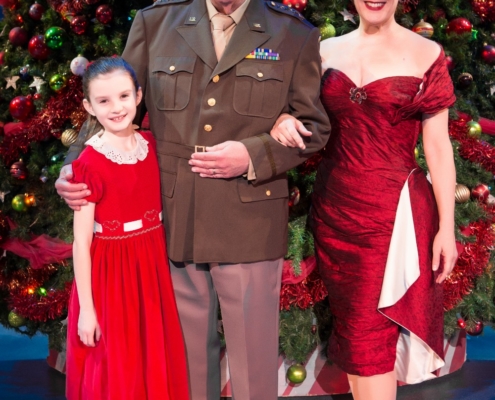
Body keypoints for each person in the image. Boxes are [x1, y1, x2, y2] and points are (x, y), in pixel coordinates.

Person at [56, 1, 331, 399]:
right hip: (172, 221)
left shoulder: (293, 32)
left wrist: (252, 154)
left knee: (253, 365)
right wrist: (72, 169)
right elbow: (116, 105)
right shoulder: (156, 22)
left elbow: (313, 126)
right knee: (184, 366)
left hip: (248, 219)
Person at [270, 1, 457, 399]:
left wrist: (447, 227)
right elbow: (292, 111)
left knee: (369, 336)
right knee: (356, 335)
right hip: (333, 213)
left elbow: (438, 147)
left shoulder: (427, 54)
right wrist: (282, 119)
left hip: (393, 217)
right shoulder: (322, 50)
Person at [65, 57, 189, 400]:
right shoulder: (89, 162)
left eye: (123, 96)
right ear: (89, 106)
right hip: (112, 274)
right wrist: (87, 310)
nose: (116, 108)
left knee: (152, 355)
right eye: (103, 101)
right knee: (119, 363)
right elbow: (80, 241)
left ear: (137, 96)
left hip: (150, 265)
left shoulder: (152, 145)